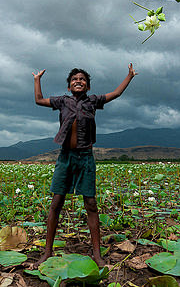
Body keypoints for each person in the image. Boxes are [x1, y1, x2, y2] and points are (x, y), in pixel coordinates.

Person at [31, 63, 138, 267]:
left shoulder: (93, 101)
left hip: (86, 157)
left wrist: (129, 76)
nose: (78, 81)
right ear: (69, 86)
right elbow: (38, 100)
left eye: (82, 79)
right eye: (74, 79)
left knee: (90, 204)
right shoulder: (62, 101)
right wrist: (37, 80)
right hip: (65, 157)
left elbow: (115, 93)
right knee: (56, 203)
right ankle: (47, 252)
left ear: (87, 87)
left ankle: (97, 255)